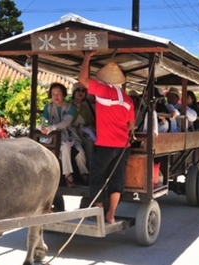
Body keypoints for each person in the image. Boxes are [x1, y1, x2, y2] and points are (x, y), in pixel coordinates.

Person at [79, 50, 135, 224]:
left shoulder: (102, 90)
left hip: (105, 145)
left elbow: (83, 80)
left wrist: (87, 57)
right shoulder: (127, 100)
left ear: (105, 79)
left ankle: (98, 213)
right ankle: (111, 214)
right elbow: (131, 125)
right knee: (116, 178)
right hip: (122, 146)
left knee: (97, 177)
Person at [39, 82, 89, 188]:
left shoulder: (70, 107)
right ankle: (68, 176)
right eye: (53, 94)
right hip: (52, 137)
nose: (56, 96)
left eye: (59, 93)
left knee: (80, 152)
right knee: (65, 147)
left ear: (64, 94)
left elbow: (66, 122)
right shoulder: (48, 107)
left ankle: (84, 174)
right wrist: (44, 127)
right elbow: (45, 121)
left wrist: (51, 128)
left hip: (69, 135)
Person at [71, 82, 96, 180]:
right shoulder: (68, 105)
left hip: (82, 134)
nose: (81, 93)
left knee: (89, 144)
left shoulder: (85, 108)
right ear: (73, 92)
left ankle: (89, 172)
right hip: (71, 134)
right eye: (78, 90)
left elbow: (90, 123)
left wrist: (84, 127)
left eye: (83, 91)